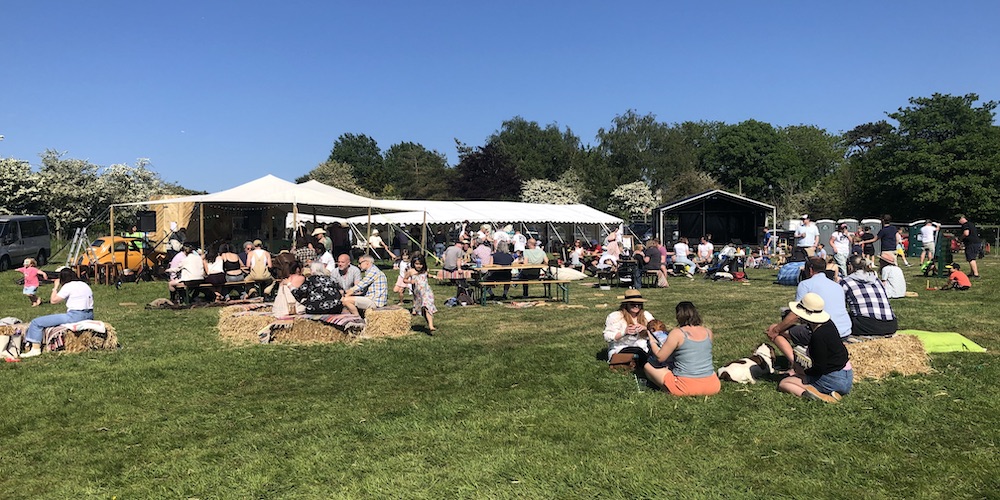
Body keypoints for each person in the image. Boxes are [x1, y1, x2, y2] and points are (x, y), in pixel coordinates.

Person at [766, 257, 851, 369]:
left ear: (810, 270)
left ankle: (795, 364)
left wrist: (776, 329)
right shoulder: (837, 285)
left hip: (821, 331)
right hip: (844, 329)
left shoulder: (806, 284)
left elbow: (796, 313)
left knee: (773, 329)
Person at [775, 293, 852, 403]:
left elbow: (819, 368)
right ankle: (832, 393)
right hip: (847, 376)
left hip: (833, 379)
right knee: (798, 375)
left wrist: (804, 372)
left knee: (785, 383)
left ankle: (818, 396)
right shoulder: (829, 324)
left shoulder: (818, 336)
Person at [643, 301, 721, 396]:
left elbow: (660, 357)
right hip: (713, 385)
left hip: (686, 386)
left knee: (648, 366)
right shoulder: (708, 332)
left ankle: (669, 390)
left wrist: (652, 341)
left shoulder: (677, 333)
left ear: (678, 316)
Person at [21, 267, 94, 358]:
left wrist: (55, 287)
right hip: (89, 315)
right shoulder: (84, 284)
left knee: (36, 322)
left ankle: (35, 349)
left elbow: (53, 301)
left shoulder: (68, 286)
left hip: (75, 316)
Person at [841, 255, 898, 336]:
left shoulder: (846, 282)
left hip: (866, 325)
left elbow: (839, 306)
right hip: (891, 325)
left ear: (850, 266)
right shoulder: (876, 280)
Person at [602, 289, 655, 368]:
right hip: (621, 347)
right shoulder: (615, 316)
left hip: (642, 347)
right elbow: (607, 337)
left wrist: (645, 329)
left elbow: (658, 332)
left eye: (639, 304)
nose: (636, 306)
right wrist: (624, 333)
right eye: (633, 304)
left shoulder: (646, 315)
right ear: (626, 304)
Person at [404, 256, 436, 332]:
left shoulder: (424, 270)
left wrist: (434, 276)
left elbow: (427, 275)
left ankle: (431, 325)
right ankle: (428, 321)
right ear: (413, 264)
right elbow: (404, 279)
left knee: (427, 306)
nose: (419, 266)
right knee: (423, 309)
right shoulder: (411, 271)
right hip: (418, 293)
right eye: (417, 264)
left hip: (427, 292)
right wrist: (410, 282)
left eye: (420, 264)